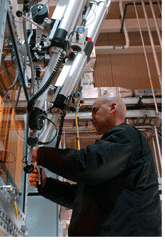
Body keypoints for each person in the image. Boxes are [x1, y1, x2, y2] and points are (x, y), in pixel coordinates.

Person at [29, 94, 161, 236]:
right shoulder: (113, 155)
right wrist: (47, 184)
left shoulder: (127, 136)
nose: (91, 117)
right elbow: (79, 198)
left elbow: (88, 164)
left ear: (113, 108)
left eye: (95, 110)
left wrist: (43, 154)